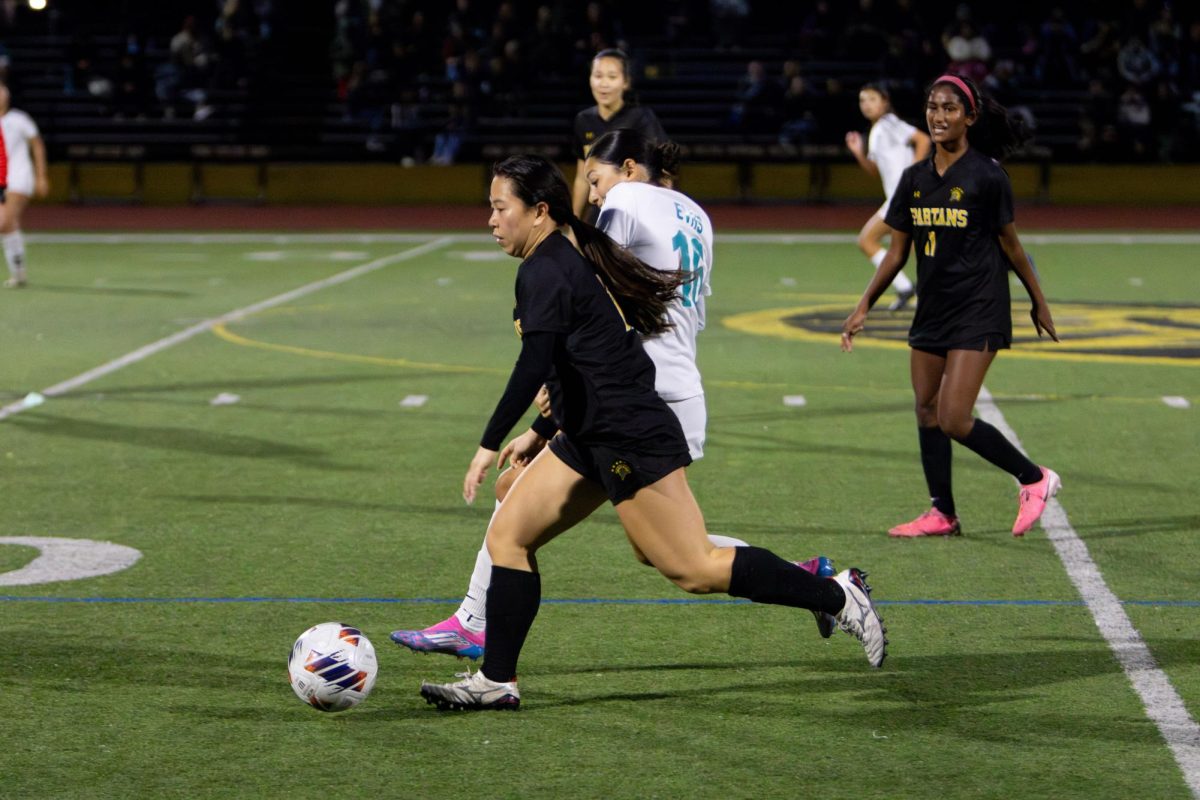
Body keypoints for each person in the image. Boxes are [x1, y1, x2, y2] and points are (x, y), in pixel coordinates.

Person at [418, 155, 887, 710]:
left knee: (692, 568)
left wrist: (490, 441)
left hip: (626, 435)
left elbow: (535, 363)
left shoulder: (545, 268)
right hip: (590, 434)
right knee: (508, 535)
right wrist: (544, 428)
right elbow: (578, 362)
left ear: (538, 211)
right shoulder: (559, 258)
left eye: (500, 208)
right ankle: (497, 681)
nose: (491, 221)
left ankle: (836, 594)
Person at [840, 74, 1061, 539]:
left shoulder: (987, 175)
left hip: (980, 306)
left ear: (970, 117)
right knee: (925, 410)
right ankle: (942, 513)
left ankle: (1034, 478)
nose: (939, 117)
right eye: (933, 107)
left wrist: (1038, 301)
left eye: (950, 109)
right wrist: (864, 306)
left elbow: (1013, 247)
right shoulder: (914, 178)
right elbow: (898, 252)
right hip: (933, 309)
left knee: (954, 418)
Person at [844, 83, 930, 312]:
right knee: (913, 247)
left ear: (884, 102)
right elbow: (874, 171)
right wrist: (858, 152)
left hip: (904, 198)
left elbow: (923, 140)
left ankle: (913, 289)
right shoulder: (876, 131)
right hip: (896, 200)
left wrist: (912, 177)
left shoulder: (889, 123)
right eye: (863, 100)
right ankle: (905, 287)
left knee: (872, 241)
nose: (867, 105)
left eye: (872, 99)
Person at [570, 49, 666, 220]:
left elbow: (662, 168)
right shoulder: (583, 120)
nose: (604, 83)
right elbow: (582, 178)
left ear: (626, 82)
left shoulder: (641, 118)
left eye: (612, 77)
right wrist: (574, 221)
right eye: (598, 76)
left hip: (637, 211)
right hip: (600, 209)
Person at [0, 81, 45, 289]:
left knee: (5, 221)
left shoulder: (18, 119)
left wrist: (41, 176)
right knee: (8, 225)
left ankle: (18, 273)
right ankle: (18, 274)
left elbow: (37, 145)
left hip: (18, 177)